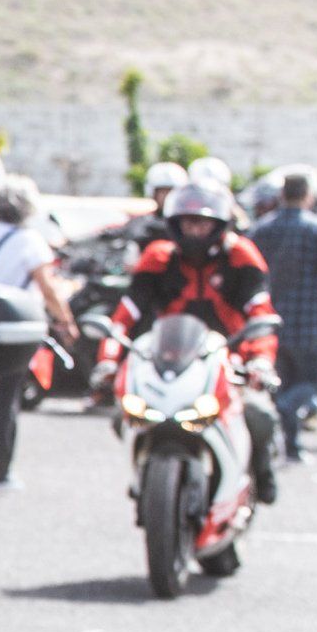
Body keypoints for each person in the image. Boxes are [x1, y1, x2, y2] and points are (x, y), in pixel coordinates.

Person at [95, 181, 281, 504]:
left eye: (203, 222)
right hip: (172, 357)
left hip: (229, 357)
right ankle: (145, 473)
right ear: (175, 224)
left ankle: (260, 477)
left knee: (259, 414)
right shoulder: (158, 258)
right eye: (188, 221)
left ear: (219, 225)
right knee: (124, 413)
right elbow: (125, 314)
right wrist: (107, 360)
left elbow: (259, 313)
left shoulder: (240, 256)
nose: (195, 229)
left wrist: (261, 360)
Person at [0, 176, 79, 482]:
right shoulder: (29, 240)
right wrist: (66, 321)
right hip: (13, 326)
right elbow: (47, 288)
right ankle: (0, 468)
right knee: (6, 398)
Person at [251, 168, 317, 463]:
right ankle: (287, 418)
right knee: (311, 385)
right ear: (308, 196)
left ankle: (292, 446)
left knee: (282, 383)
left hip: (268, 325)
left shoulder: (262, 229)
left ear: (282, 195)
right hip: (308, 323)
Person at [117, 161, 188, 251]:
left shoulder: (188, 223)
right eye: (162, 192)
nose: (167, 196)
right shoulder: (140, 222)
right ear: (153, 193)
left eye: (171, 191)